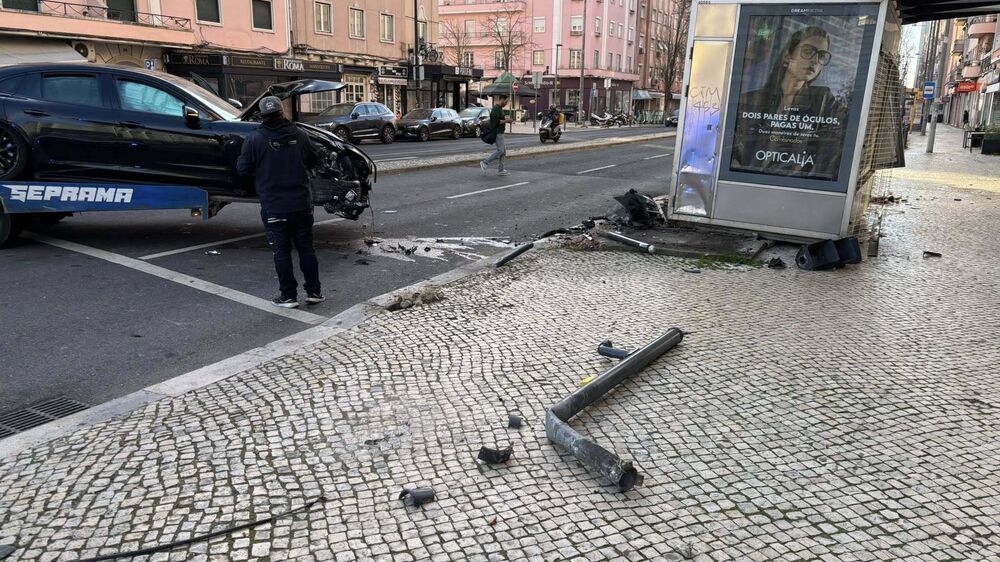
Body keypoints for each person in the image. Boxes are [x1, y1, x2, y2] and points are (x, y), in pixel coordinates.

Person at [237, 96, 324, 309]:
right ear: (282, 112)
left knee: (281, 252)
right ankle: (314, 292)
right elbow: (314, 160)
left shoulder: (254, 139)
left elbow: (243, 170)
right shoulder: (301, 135)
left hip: (274, 204)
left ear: (262, 116)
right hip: (301, 203)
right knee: (306, 248)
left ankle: (288, 296)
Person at [731, 26, 847, 180]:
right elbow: (733, 146)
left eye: (821, 56)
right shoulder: (752, 100)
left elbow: (834, 146)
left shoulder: (823, 101)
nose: (815, 60)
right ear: (787, 56)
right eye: (808, 51)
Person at [481, 95, 514, 176]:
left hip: (501, 132)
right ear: (501, 99)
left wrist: (506, 120)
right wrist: (506, 121)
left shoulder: (500, 108)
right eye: (505, 101)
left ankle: (501, 170)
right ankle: (485, 162)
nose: (506, 103)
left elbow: (500, 120)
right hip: (497, 132)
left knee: (503, 151)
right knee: (501, 151)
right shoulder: (496, 109)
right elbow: (496, 122)